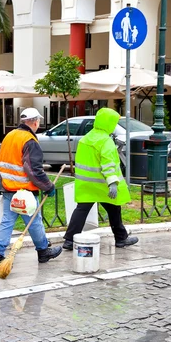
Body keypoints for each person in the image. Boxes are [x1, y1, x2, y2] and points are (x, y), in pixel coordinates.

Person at [0, 108, 63, 268]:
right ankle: (43, 251)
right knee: (34, 221)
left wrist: (0, 183)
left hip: (8, 188)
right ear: (35, 122)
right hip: (24, 191)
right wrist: (48, 186)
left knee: (7, 222)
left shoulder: (9, 136)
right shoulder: (29, 140)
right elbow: (34, 169)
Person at [63, 107, 138, 251]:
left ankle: (69, 240)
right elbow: (108, 165)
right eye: (113, 123)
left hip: (86, 184)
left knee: (81, 210)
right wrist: (113, 184)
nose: (114, 127)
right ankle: (121, 239)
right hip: (103, 185)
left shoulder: (86, 138)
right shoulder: (105, 141)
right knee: (114, 209)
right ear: (108, 123)